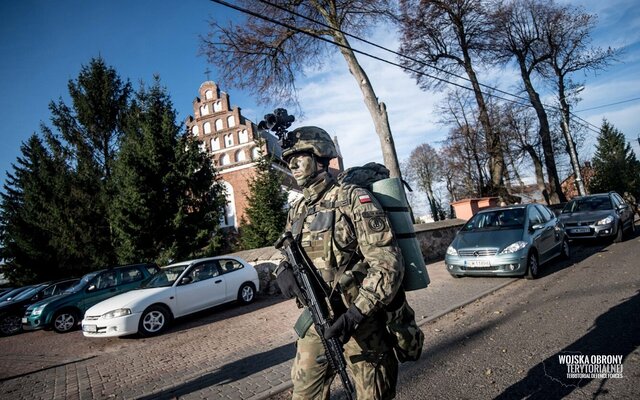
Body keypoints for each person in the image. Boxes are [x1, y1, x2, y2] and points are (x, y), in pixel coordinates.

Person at [275, 126, 405, 400]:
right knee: (303, 395)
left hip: (361, 320)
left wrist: (355, 315)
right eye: (289, 159)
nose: (292, 164)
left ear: (321, 156)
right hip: (317, 321)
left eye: (300, 156)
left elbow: (387, 265)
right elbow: (287, 253)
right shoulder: (298, 210)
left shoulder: (353, 199)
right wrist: (282, 270)